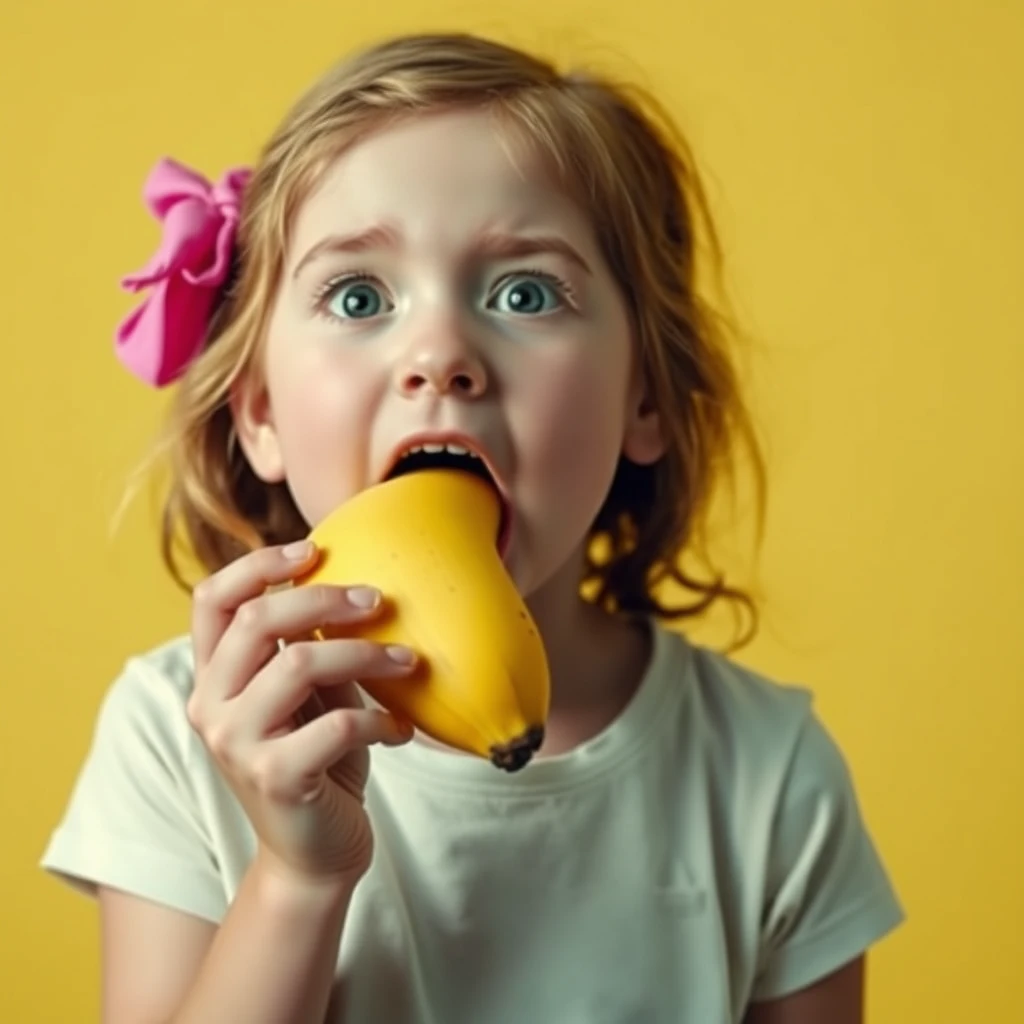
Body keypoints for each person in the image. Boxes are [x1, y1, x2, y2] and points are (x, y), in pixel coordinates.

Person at [41, 31, 904, 1024]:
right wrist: (296, 879)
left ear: (645, 400)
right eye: (359, 296)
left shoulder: (766, 773)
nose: (440, 352)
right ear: (260, 414)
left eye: (525, 293)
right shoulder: (177, 736)